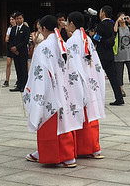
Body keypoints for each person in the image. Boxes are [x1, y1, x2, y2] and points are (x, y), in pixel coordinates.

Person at [23, 15, 81, 167]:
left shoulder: (43, 46)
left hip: (49, 89)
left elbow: (38, 72)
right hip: (64, 88)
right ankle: (68, 156)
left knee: (50, 122)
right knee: (65, 122)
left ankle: (54, 155)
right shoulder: (62, 44)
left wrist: (35, 90)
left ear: (42, 29)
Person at [66, 11, 105, 158]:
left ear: (72, 24)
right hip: (90, 81)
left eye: (67, 22)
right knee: (90, 114)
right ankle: (93, 148)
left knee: (79, 114)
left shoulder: (72, 42)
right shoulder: (86, 39)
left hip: (79, 82)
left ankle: (78, 148)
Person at [94, 6, 125, 106]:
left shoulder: (101, 25)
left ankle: (95, 99)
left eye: (100, 11)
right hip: (110, 53)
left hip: (101, 54)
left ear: (103, 13)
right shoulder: (112, 24)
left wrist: (91, 37)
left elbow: (96, 39)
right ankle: (119, 97)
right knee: (113, 77)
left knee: (95, 76)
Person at [8, 11, 30, 91]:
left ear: (23, 19)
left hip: (22, 52)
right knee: (17, 69)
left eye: (20, 18)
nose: (18, 20)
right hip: (15, 53)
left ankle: (24, 85)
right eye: (17, 19)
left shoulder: (26, 29)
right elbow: (10, 40)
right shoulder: (13, 29)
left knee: (23, 69)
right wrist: (13, 48)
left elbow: (25, 41)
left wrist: (17, 47)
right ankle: (19, 84)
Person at [3, 15, 16, 87]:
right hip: (10, 47)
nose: (11, 21)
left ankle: (19, 80)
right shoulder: (9, 28)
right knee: (8, 64)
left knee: (18, 65)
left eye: (12, 19)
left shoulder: (18, 28)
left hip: (17, 47)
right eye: (10, 19)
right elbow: (6, 39)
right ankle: (7, 80)